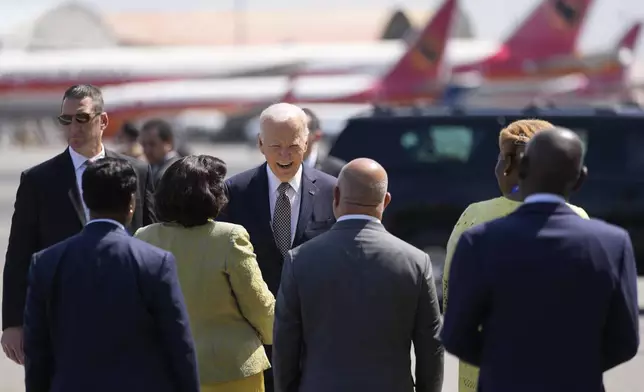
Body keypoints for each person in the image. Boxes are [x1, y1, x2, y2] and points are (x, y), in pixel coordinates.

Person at [441, 128, 640, 392]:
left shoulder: (479, 240)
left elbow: (456, 336)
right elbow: (625, 341)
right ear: (580, 179)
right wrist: (574, 368)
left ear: (521, 169)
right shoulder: (613, 243)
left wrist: (506, 368)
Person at [1, 84, 157, 365]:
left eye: (82, 118)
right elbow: (19, 255)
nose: (73, 126)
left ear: (104, 120)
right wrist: (12, 323)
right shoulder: (38, 181)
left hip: (127, 316)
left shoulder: (138, 172)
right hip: (60, 319)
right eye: (66, 119)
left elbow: (154, 240)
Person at [22, 157, 198, 392]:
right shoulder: (155, 262)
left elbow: (36, 350)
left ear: (85, 199)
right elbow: (179, 344)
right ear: (131, 203)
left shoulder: (46, 262)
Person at [273, 158, 444, 392]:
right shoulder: (416, 261)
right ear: (385, 201)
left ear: (336, 196)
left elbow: (285, 344)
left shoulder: (299, 260)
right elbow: (431, 345)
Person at [220, 102, 336, 392]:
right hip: (256, 343)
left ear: (307, 143)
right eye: (275, 146)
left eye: (293, 146)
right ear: (260, 144)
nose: (284, 156)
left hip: (317, 339)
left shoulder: (331, 191)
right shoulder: (235, 192)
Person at [135, 155, 275, 392]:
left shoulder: (144, 237)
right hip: (230, 369)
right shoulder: (229, 237)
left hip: (166, 367)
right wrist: (275, 335)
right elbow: (258, 304)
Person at [140, 118, 181, 188]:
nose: (147, 150)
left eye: (152, 144)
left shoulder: (176, 171)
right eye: (144, 144)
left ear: (168, 142)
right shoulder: (153, 167)